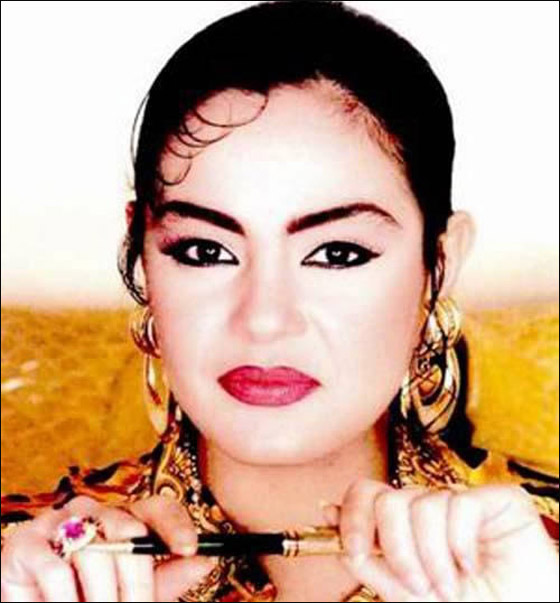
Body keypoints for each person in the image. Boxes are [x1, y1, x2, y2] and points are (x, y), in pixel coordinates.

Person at [1, 1, 558, 601]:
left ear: (437, 263)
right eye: (205, 251)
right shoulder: (24, 567)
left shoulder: (539, 561)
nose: (264, 319)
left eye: (337, 253)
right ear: (141, 256)